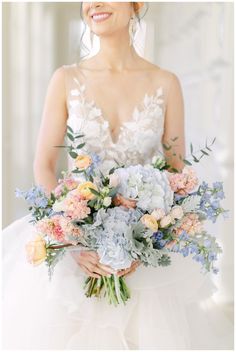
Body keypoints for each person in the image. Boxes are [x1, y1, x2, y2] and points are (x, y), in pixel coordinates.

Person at [2, 2, 233, 349]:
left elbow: (174, 173)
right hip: (76, 253)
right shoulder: (66, 79)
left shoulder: (166, 83)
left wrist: (145, 241)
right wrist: (71, 239)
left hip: (143, 261)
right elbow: (44, 166)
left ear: (136, 3)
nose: (93, 3)